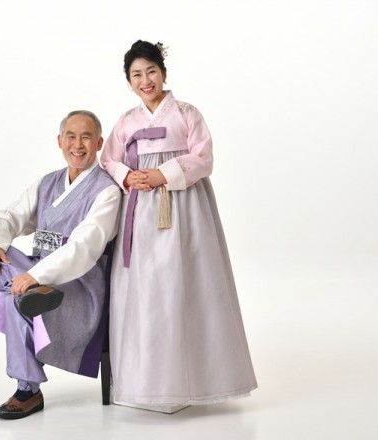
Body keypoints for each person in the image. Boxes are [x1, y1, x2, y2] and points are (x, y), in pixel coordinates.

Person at [100, 40, 257, 412]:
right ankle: (146, 383)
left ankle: (194, 381)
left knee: (186, 284)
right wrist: (129, 176)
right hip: (140, 211)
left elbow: (204, 158)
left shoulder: (187, 114)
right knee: (145, 290)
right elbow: (108, 160)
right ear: (129, 82)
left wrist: (163, 174)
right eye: (136, 75)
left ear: (164, 73)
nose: (145, 80)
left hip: (185, 209)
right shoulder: (126, 121)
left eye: (151, 71)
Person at [0, 110, 121, 420]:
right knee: (1, 253)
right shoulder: (47, 183)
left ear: (99, 143)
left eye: (86, 137)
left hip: (78, 285)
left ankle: (27, 391)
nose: (78, 144)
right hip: (36, 277)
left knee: (16, 300)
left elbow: (84, 248)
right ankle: (30, 291)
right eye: (71, 136)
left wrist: (35, 275)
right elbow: (12, 215)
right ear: (59, 141)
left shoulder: (107, 191)